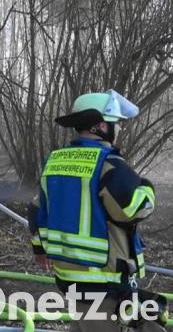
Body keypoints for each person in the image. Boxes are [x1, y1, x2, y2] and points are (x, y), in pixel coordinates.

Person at [28, 90, 167, 331]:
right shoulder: (108, 164)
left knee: (84, 322)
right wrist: (147, 187)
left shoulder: (55, 161)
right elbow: (134, 208)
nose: (120, 129)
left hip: (67, 274)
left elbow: (36, 208)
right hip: (104, 278)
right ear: (101, 125)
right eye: (117, 123)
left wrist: (40, 248)